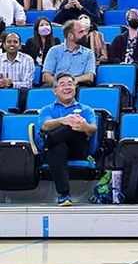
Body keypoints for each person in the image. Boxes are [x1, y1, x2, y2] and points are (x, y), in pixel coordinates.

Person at [31, 74, 97, 206]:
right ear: (54, 91)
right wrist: (63, 120)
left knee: (72, 126)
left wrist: (84, 126)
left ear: (75, 88)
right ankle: (64, 194)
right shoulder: (47, 109)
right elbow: (45, 125)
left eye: (70, 84)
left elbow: (93, 129)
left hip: (78, 148)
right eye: (62, 84)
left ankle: (46, 140)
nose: (67, 87)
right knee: (58, 147)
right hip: (57, 150)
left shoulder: (86, 109)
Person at [107, 8, 138, 84]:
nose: (134, 19)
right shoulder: (118, 39)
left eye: (136, 17)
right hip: (121, 66)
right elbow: (112, 56)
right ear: (127, 21)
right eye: (132, 17)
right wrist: (121, 63)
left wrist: (133, 64)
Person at [41, 20, 95, 86]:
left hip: (78, 86)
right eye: (81, 32)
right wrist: (61, 84)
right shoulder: (54, 51)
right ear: (70, 35)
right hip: (57, 86)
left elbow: (90, 76)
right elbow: (46, 76)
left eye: (85, 31)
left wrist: (74, 80)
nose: (85, 34)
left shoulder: (89, 53)